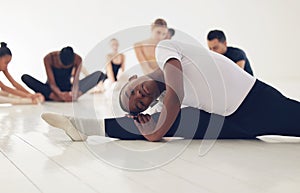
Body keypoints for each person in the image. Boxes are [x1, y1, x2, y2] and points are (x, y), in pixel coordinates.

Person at [41, 40, 300, 142]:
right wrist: (150, 124)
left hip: (257, 103)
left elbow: (176, 93)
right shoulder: (163, 102)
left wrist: (154, 133)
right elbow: (170, 105)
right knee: (159, 121)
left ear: (132, 78)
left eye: (132, 92)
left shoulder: (164, 50)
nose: (139, 97)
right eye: (139, 103)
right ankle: (82, 126)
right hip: (228, 122)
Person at [22, 46, 105, 102]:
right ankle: (56, 98)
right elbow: (52, 83)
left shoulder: (77, 59)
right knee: (25, 77)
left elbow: (75, 82)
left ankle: (71, 97)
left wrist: (73, 93)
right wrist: (60, 94)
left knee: (99, 74)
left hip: (69, 88)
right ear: (58, 58)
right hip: (52, 90)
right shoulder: (49, 58)